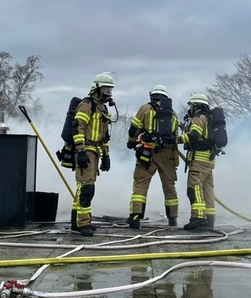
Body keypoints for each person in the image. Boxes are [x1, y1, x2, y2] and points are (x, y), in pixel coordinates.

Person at [125, 85, 180, 229]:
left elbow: (134, 128)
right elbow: (175, 136)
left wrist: (131, 142)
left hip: (147, 153)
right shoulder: (173, 114)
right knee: (169, 186)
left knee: (141, 184)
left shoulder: (145, 108)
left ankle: (135, 217)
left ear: (152, 96)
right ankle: (173, 218)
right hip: (168, 155)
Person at [70, 73, 115, 237]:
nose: (108, 92)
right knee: (87, 188)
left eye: (110, 89)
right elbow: (78, 128)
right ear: (97, 88)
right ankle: (83, 224)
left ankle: (77, 221)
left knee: (83, 187)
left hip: (95, 152)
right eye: (106, 88)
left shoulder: (102, 108)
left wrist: (106, 155)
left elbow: (104, 136)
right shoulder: (86, 104)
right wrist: (81, 150)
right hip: (86, 150)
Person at [177, 93, 217, 230]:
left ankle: (198, 218)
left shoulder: (198, 118)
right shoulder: (209, 118)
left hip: (198, 160)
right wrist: (183, 127)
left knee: (194, 189)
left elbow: (194, 135)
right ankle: (209, 220)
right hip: (208, 160)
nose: (190, 108)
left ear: (196, 106)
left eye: (191, 105)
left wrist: (178, 139)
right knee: (208, 191)